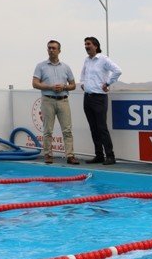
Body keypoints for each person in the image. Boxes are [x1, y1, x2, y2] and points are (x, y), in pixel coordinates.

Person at [31, 40, 79, 165]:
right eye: (49, 48)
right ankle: (48, 154)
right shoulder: (40, 66)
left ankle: (70, 155)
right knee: (47, 130)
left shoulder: (66, 67)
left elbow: (73, 85)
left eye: (53, 48)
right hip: (48, 100)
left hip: (63, 100)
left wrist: (64, 87)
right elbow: (35, 83)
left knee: (67, 130)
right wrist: (50, 87)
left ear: (59, 50)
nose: (51, 50)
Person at [79, 36, 122, 165]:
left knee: (102, 128)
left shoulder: (103, 59)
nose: (86, 46)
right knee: (93, 128)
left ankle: (110, 156)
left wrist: (108, 83)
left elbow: (118, 71)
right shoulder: (87, 60)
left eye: (88, 44)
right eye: (85, 44)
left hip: (99, 98)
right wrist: (83, 84)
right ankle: (99, 155)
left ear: (96, 46)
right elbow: (82, 75)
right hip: (87, 98)